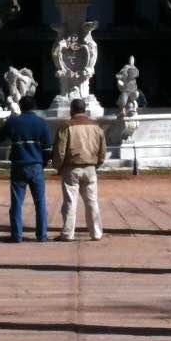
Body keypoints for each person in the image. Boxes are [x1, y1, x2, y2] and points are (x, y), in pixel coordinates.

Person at [0, 91, 53, 242]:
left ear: (20, 107)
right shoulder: (41, 123)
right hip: (36, 165)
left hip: (19, 165)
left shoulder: (13, 121)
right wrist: (44, 163)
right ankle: (41, 235)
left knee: (17, 203)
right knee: (40, 202)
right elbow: (48, 148)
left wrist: (6, 123)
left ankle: (17, 235)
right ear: (34, 107)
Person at [53, 97, 106, 241]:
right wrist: (97, 163)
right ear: (85, 110)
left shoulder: (66, 126)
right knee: (92, 202)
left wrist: (58, 166)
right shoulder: (96, 127)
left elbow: (60, 150)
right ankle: (96, 233)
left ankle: (68, 233)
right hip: (90, 168)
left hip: (71, 168)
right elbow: (102, 150)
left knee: (70, 202)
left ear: (72, 110)